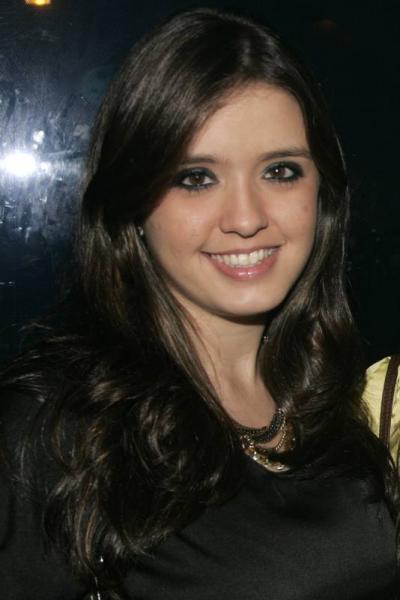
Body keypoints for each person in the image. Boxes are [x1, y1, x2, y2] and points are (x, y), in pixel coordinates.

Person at [0, 7, 398, 600]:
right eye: (196, 178)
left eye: (280, 171)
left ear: (323, 193)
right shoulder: (53, 430)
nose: (246, 218)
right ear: (134, 204)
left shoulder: (344, 400)